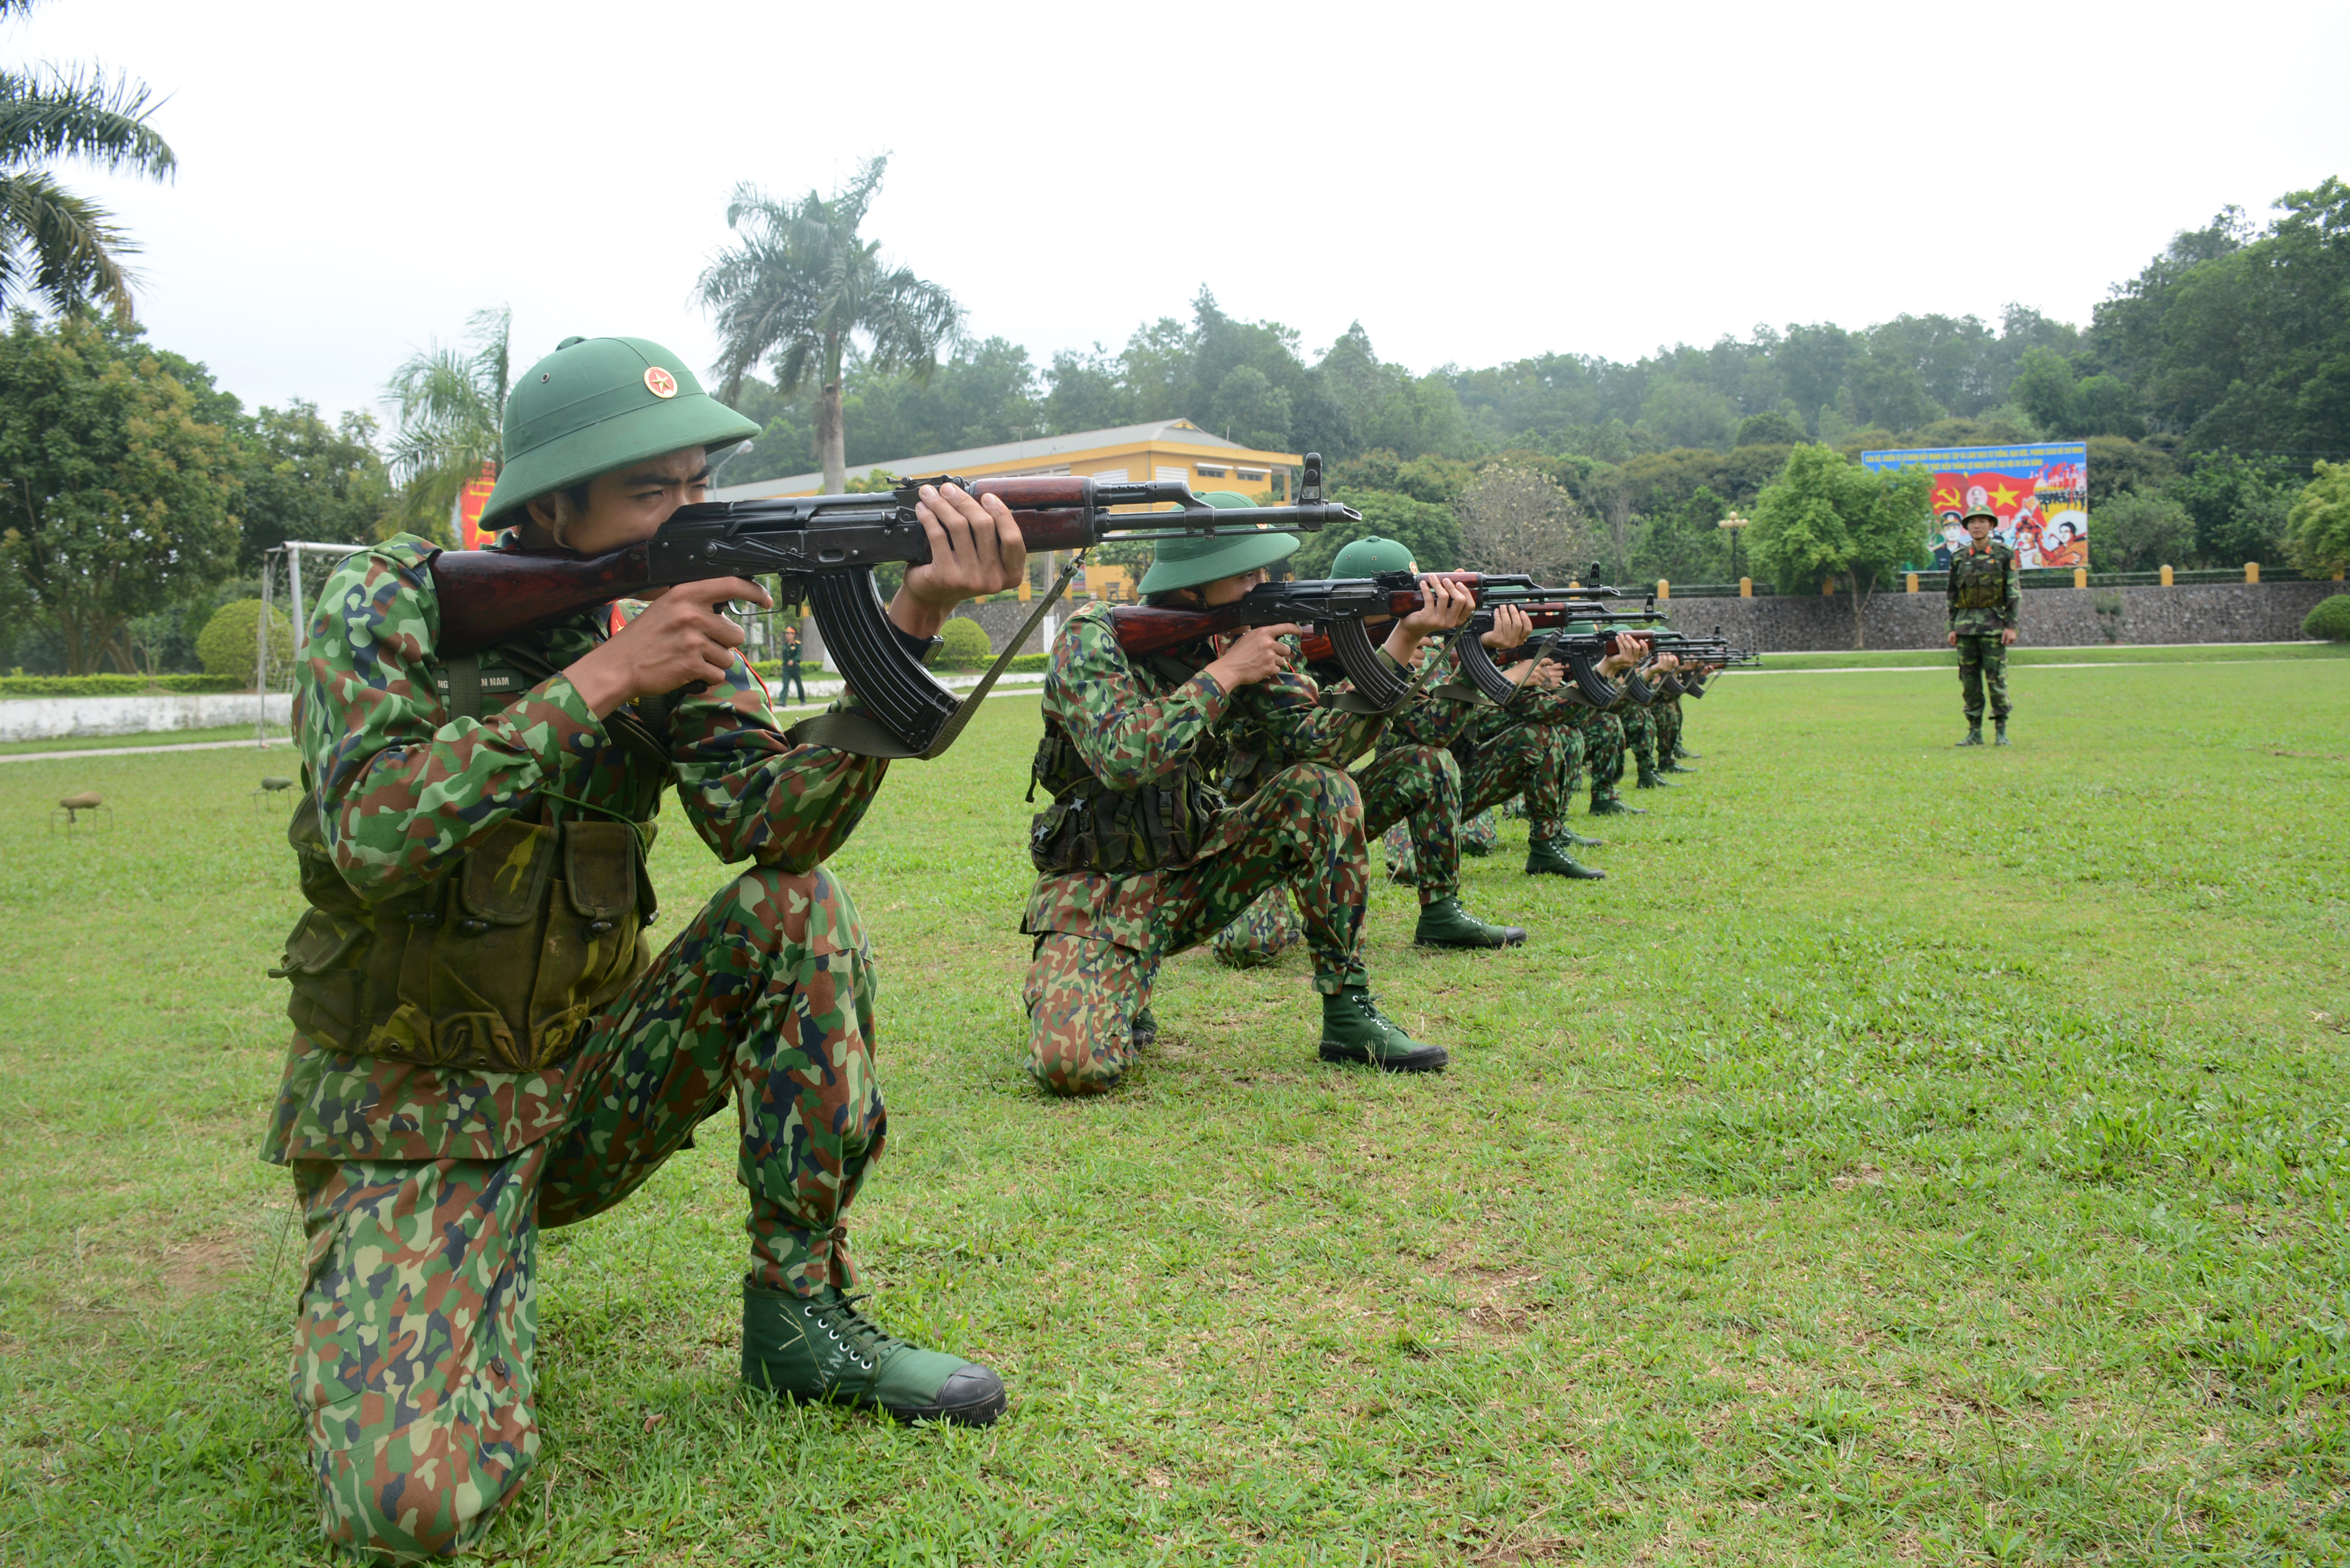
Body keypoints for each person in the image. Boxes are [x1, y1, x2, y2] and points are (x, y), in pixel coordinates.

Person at [267, 335, 1026, 1562]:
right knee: (408, 1505)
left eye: (695, 480)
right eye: (650, 490)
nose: (690, 511)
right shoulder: (392, 600)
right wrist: (603, 676)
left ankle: (799, 1307)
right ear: (552, 503)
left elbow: (772, 825)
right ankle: (409, 1292)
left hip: (580, 1089)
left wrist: (913, 616)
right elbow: (368, 835)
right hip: (409, 1112)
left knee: (801, 905)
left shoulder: (673, 627)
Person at [1022, 502, 1474, 1093]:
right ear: (1194, 578)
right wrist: (1225, 674)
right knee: (1073, 1070)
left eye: (1264, 572)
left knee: (1322, 790)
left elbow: (1327, 746)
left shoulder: (1237, 637)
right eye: (1246, 573)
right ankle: (1118, 984)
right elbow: (1120, 758)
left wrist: (1403, 640)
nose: (1262, 585)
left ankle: (1347, 1010)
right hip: (1096, 889)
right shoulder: (1092, 635)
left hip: (1196, 869)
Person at [1945, 502, 2020, 745]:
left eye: (1982, 521)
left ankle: (2001, 731)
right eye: (1973, 522)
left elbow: (2013, 592)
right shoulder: (1959, 558)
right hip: (1966, 628)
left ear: (1991, 525)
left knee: (1996, 679)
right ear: (1968, 527)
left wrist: (2011, 626)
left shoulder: (2004, 554)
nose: (1977, 526)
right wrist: (1952, 627)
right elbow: (1952, 595)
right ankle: (1974, 732)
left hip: (1994, 627)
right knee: (1969, 681)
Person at [778, 622, 810, 704]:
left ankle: (803, 700)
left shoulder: (797, 645)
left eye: (789, 633)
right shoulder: (785, 645)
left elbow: (799, 655)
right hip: (787, 668)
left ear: (794, 635)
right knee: (785, 685)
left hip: (795, 668)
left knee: (799, 685)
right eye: (786, 633)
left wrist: (793, 660)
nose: (787, 635)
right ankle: (782, 701)